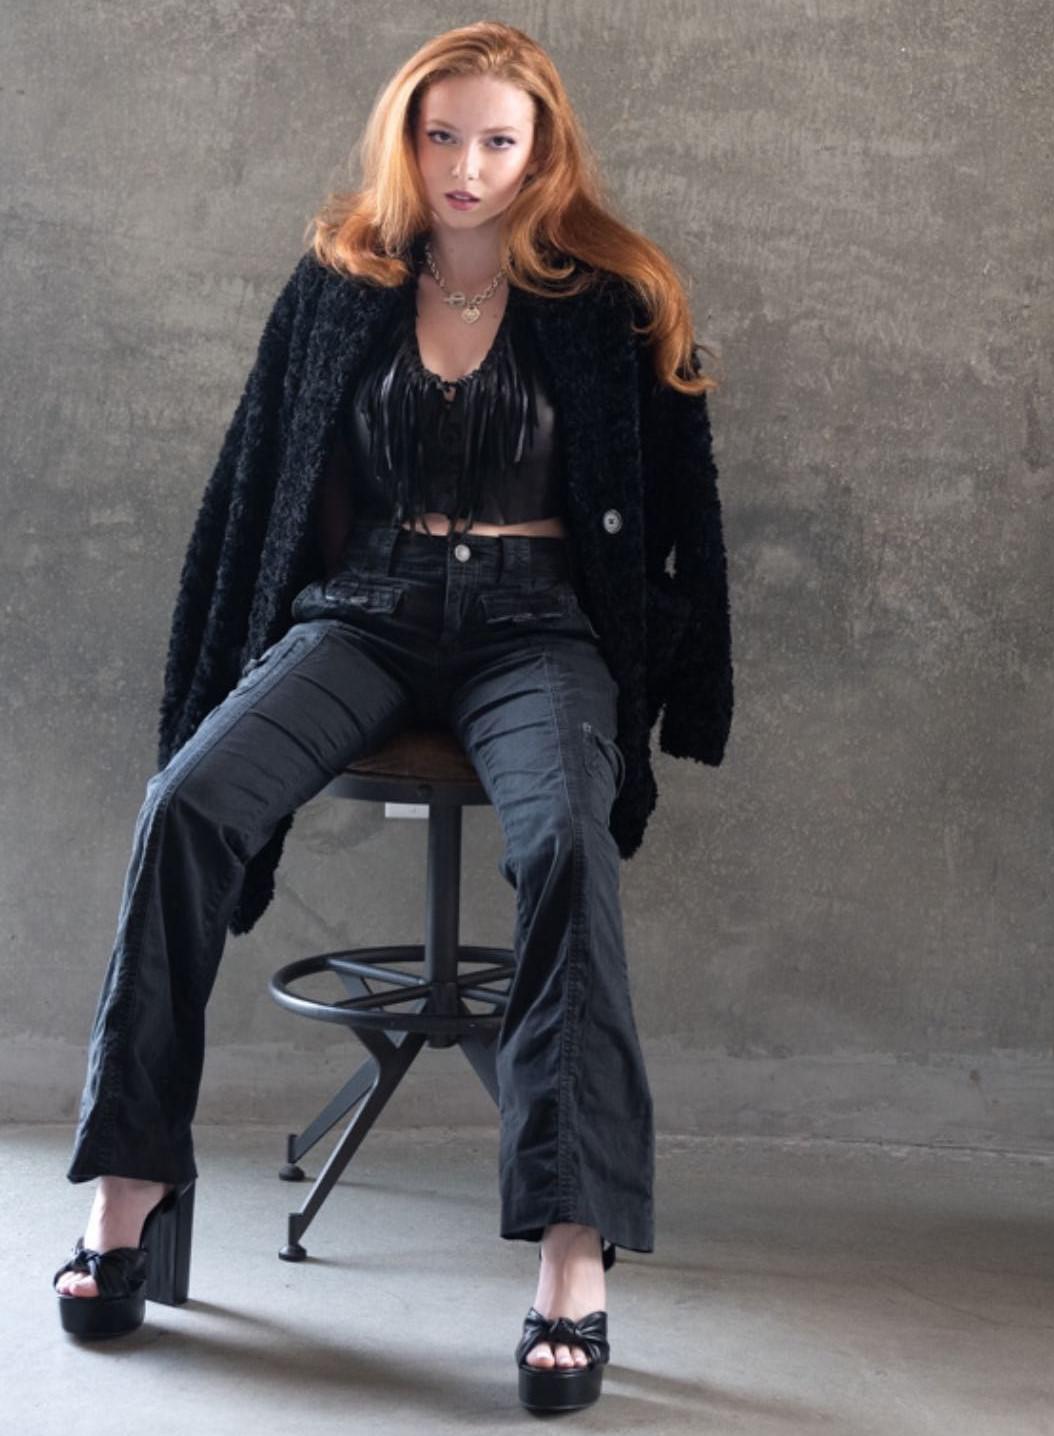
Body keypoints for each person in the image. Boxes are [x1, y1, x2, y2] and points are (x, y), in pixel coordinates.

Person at [51, 19, 733, 1415]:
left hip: (538, 623)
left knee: (565, 847)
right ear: (403, 140)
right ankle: (128, 1186)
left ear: (543, 151)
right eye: (442, 136)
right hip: (368, 607)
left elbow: (684, 513)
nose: (467, 166)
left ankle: (572, 1251)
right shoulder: (341, 281)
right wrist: (233, 648)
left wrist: (679, 675)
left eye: (498, 140)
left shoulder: (615, 298)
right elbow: (255, 485)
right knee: (189, 805)